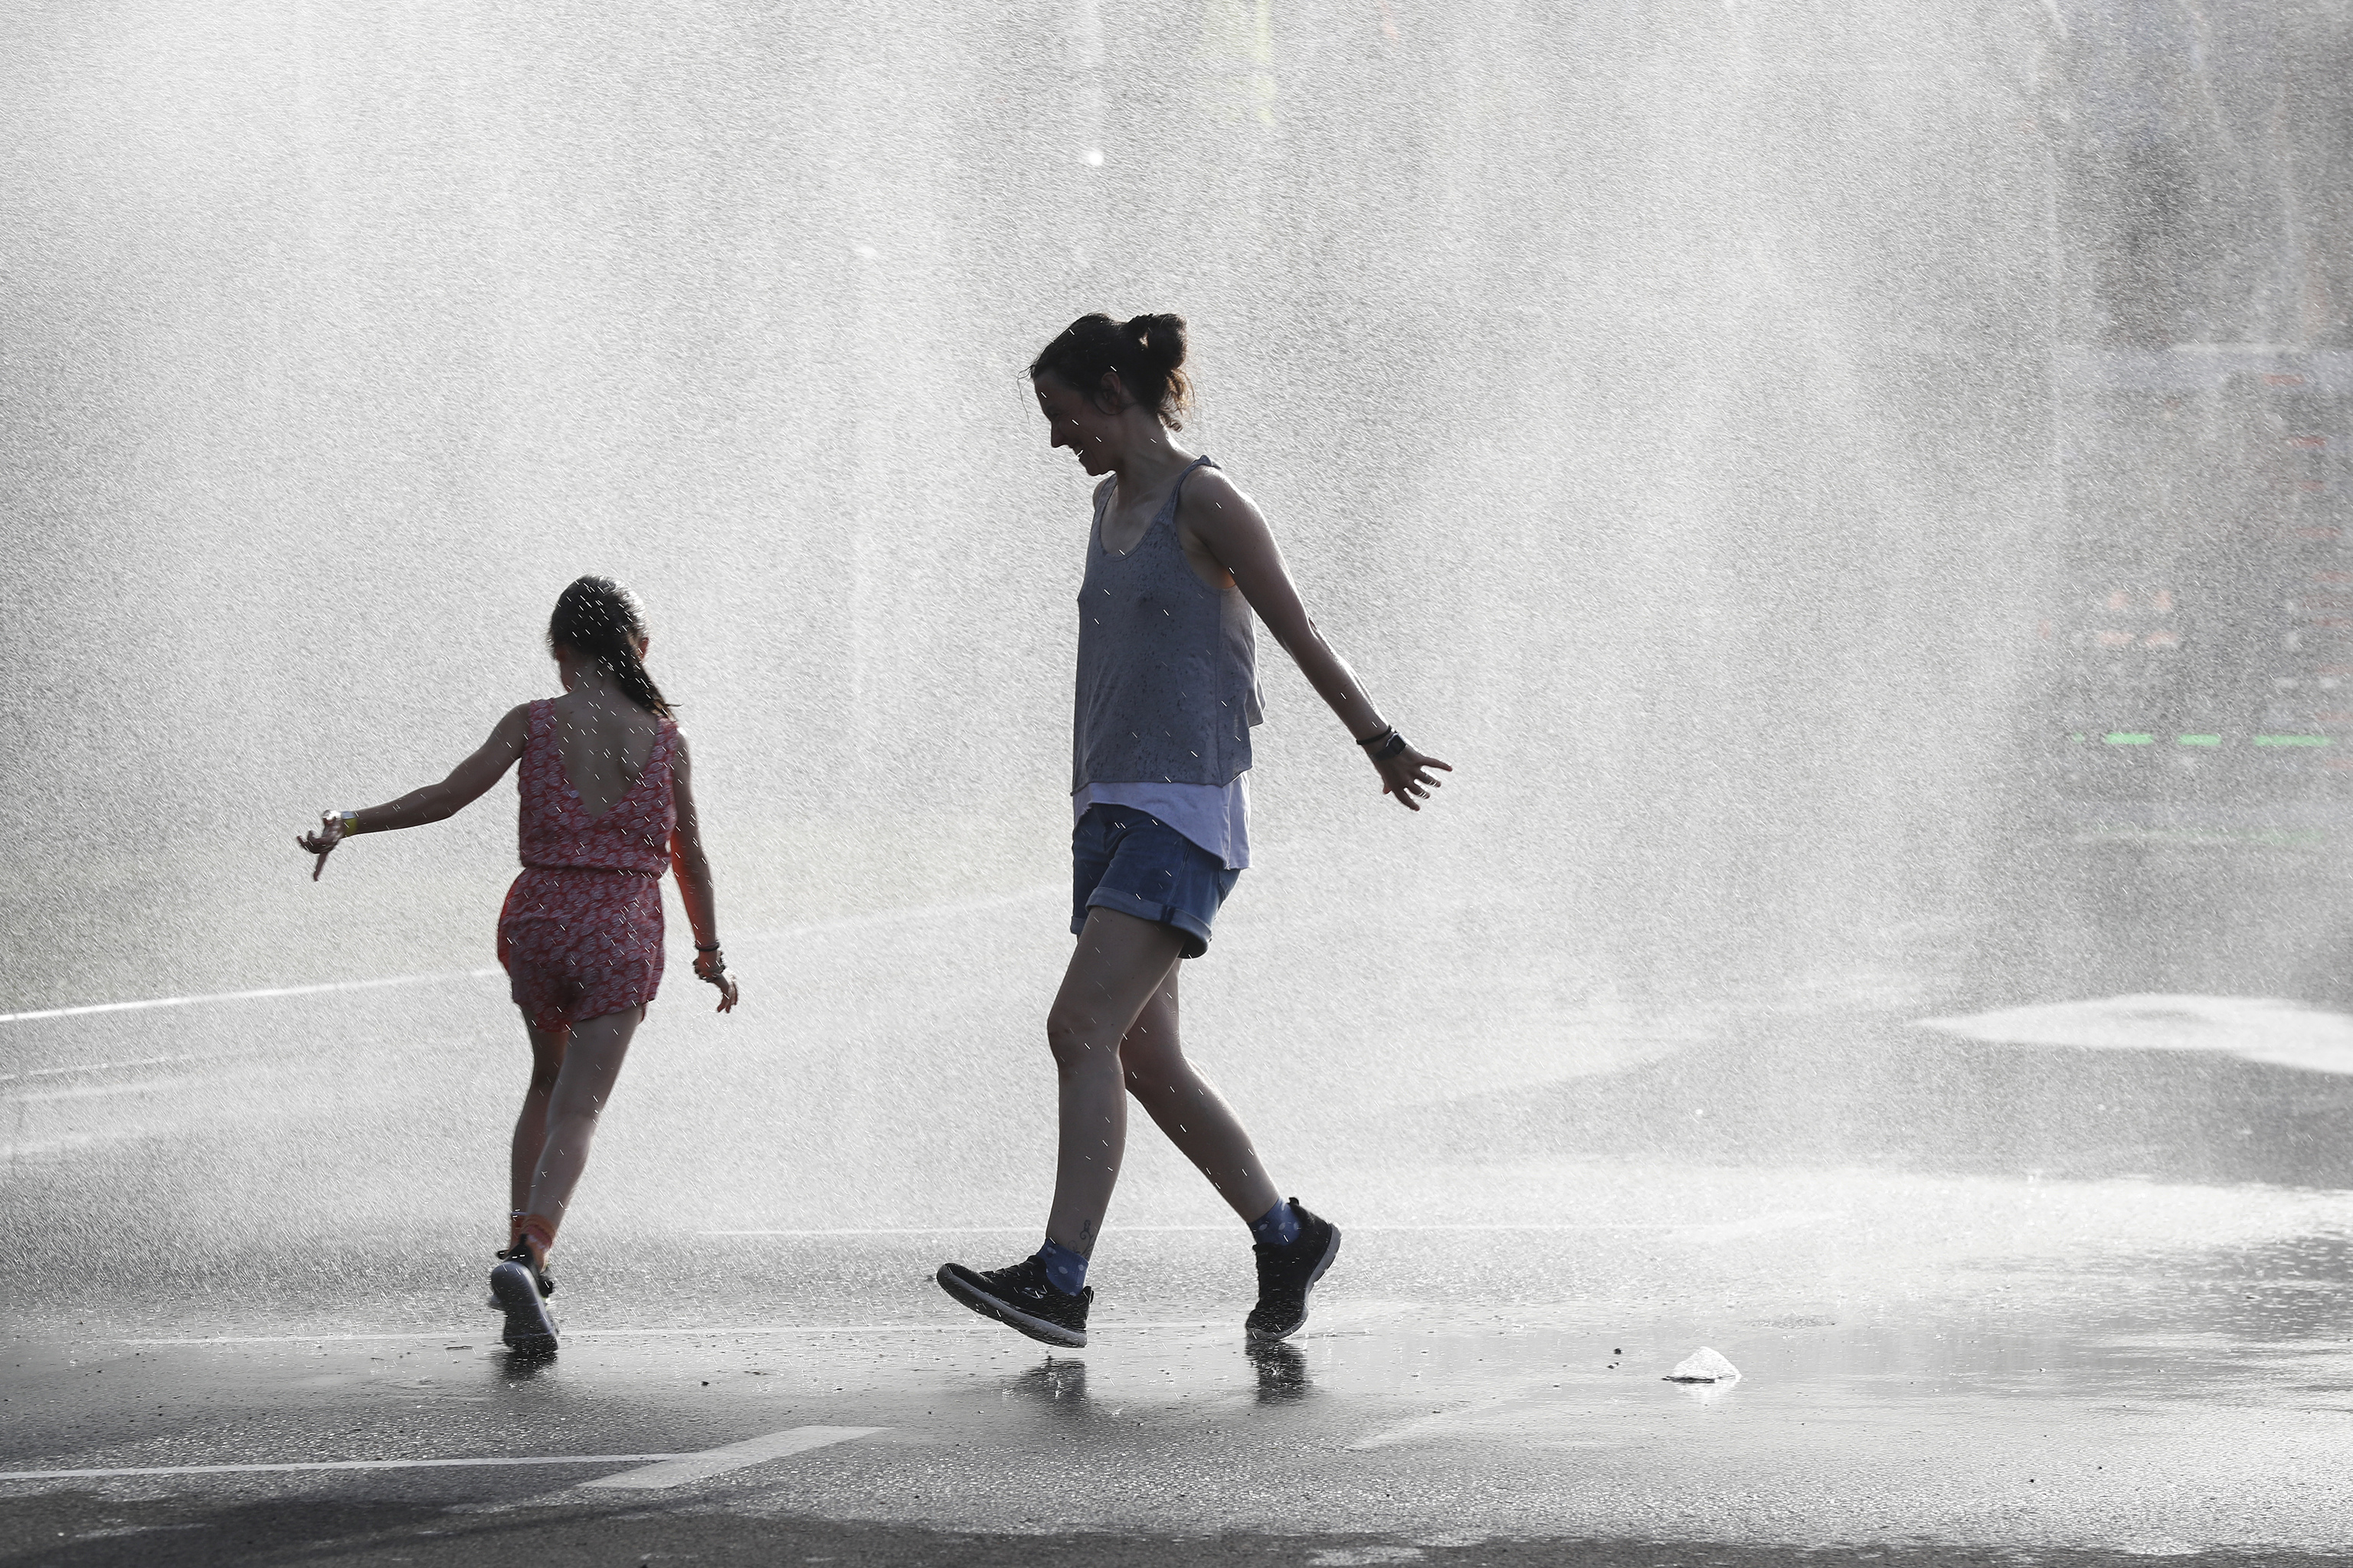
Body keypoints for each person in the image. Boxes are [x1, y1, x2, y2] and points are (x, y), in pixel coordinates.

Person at [937, 313, 1451, 1349]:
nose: (1056, 438)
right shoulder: (1102, 505)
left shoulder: (1206, 499)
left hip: (1186, 811)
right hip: (1109, 808)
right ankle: (1286, 1233)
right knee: (1145, 1060)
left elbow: (1298, 628)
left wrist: (1380, 741)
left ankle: (1062, 1278)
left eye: (1062, 413)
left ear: (1114, 395)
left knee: (1077, 1028)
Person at [296, 575, 739, 1351]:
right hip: (619, 929)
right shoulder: (666, 740)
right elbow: (689, 856)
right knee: (580, 1106)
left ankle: (514, 1245)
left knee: (544, 1078)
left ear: (562, 651)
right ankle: (532, 1253)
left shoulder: (532, 723)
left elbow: (446, 796)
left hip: (538, 924)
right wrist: (710, 953)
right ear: (637, 649)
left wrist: (352, 823)